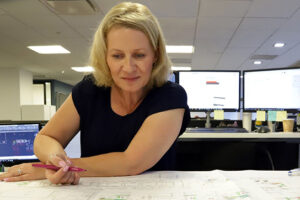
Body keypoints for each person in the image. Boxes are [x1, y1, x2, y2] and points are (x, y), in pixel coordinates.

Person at [0, 2, 190, 185]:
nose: (128, 67)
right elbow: (45, 138)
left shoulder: (171, 96)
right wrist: (56, 161)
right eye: (117, 56)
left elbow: (131, 162)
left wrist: (47, 170)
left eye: (139, 55)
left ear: (155, 55)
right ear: (105, 56)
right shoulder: (89, 90)